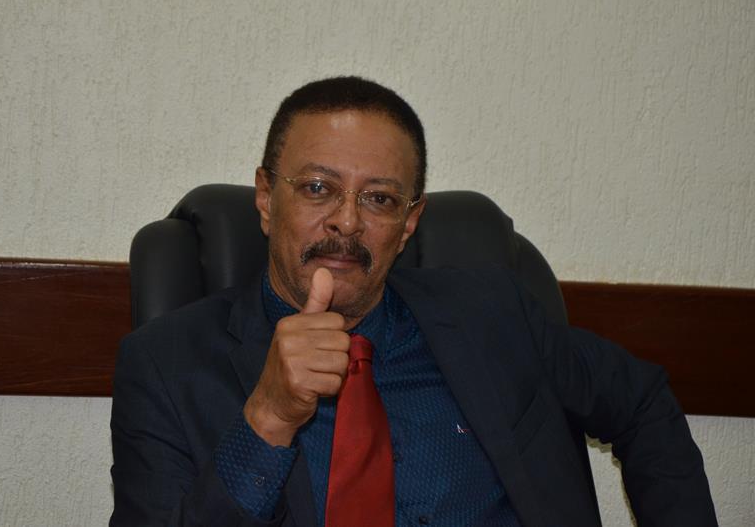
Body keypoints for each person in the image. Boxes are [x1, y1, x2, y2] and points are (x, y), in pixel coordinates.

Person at [110, 76, 716, 526]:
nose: (347, 222)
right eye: (318, 188)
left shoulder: (492, 313)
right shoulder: (165, 365)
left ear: (408, 224)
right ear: (266, 199)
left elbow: (641, 401)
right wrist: (268, 418)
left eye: (379, 198)